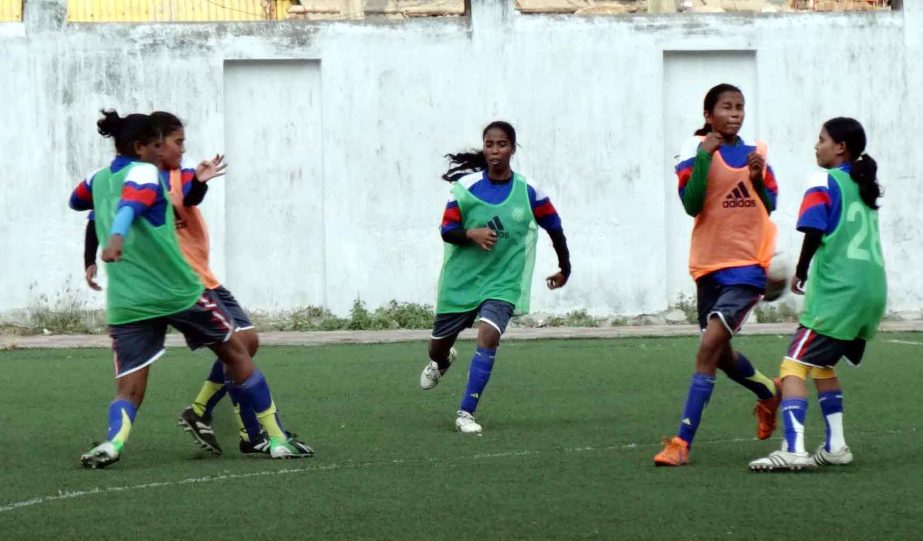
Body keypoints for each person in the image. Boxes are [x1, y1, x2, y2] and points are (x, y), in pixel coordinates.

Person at [69, 110, 309, 468]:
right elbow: (132, 203)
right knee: (238, 354)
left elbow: (76, 201)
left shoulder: (98, 179)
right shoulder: (146, 171)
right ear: (141, 146)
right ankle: (277, 438)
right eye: (156, 145)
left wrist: (102, 219)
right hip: (176, 291)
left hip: (128, 302)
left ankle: (113, 444)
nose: (161, 152)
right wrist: (117, 234)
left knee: (129, 387)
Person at [654, 84, 782, 466]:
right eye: (727, 107)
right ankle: (767, 390)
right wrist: (705, 157)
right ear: (708, 115)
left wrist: (758, 181)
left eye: (740, 107)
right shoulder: (693, 150)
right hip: (708, 266)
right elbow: (692, 205)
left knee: (708, 347)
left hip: (748, 268)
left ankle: (681, 441)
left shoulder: (755, 153)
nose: (736, 113)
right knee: (722, 354)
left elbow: (770, 205)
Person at [749, 117, 886, 471]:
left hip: (839, 291)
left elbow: (813, 228)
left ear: (840, 147)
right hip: (870, 292)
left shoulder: (825, 179)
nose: (816, 145)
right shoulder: (864, 185)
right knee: (822, 364)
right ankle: (836, 447)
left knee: (793, 365)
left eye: (822, 139)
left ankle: (793, 449)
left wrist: (800, 270)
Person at [418, 121, 572, 434]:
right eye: (489, 144)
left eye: (502, 144)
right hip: (462, 282)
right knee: (436, 347)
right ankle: (442, 360)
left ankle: (466, 412)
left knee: (489, 335)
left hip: (502, 282)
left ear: (513, 148)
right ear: (484, 147)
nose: (495, 151)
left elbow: (555, 229)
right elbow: (447, 230)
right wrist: (471, 233)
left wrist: (565, 268)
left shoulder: (529, 192)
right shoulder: (466, 188)